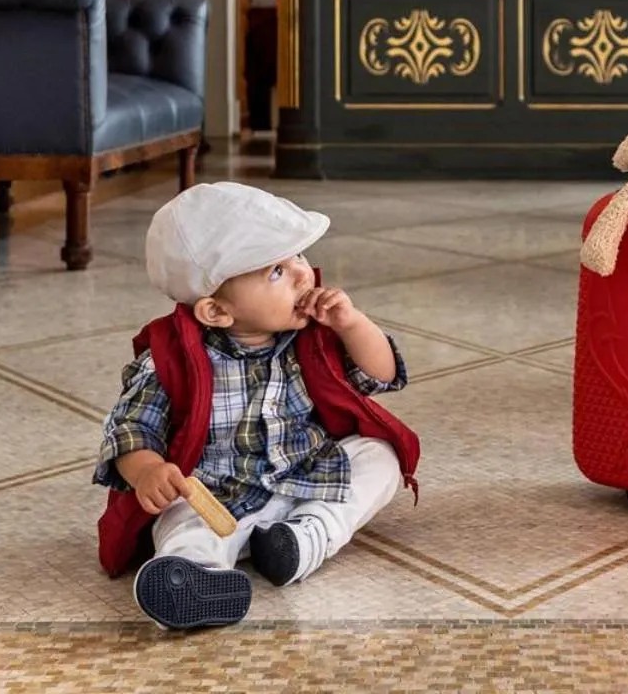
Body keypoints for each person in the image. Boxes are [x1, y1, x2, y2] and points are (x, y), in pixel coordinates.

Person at [94, 182, 420, 630]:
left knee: (380, 457)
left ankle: (302, 539)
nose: (304, 275)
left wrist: (352, 324)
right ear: (216, 311)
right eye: (276, 272)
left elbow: (381, 375)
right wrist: (148, 471)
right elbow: (131, 429)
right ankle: (191, 577)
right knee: (181, 517)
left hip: (308, 474)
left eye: (299, 257)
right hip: (216, 492)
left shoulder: (313, 335)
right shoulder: (172, 358)